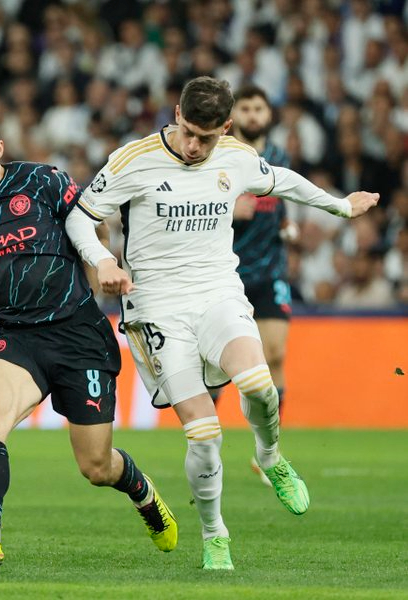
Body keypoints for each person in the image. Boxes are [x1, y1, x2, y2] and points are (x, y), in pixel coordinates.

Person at [75, 76, 379, 570]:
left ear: (227, 129)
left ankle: (270, 456)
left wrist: (340, 206)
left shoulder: (235, 156)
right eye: (190, 132)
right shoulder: (134, 159)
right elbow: (79, 216)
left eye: (207, 137)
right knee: (205, 434)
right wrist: (102, 261)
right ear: (175, 113)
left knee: (260, 386)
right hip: (156, 310)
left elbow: (282, 180)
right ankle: (215, 534)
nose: (195, 146)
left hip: (218, 294)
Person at [0, 111, 178, 567]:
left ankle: (142, 491)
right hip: (18, 338)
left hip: (79, 334)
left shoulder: (43, 182)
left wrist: (102, 265)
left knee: (96, 467)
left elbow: (91, 226)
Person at [226, 84, 294, 485]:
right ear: (236, 117)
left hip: (270, 272)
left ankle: (269, 452)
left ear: (269, 113)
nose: (254, 115)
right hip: (228, 272)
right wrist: (231, 210)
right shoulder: (222, 155)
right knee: (216, 366)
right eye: (246, 108)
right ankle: (204, 443)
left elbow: (283, 197)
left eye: (259, 107)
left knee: (276, 355)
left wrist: (286, 224)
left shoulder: (280, 156)